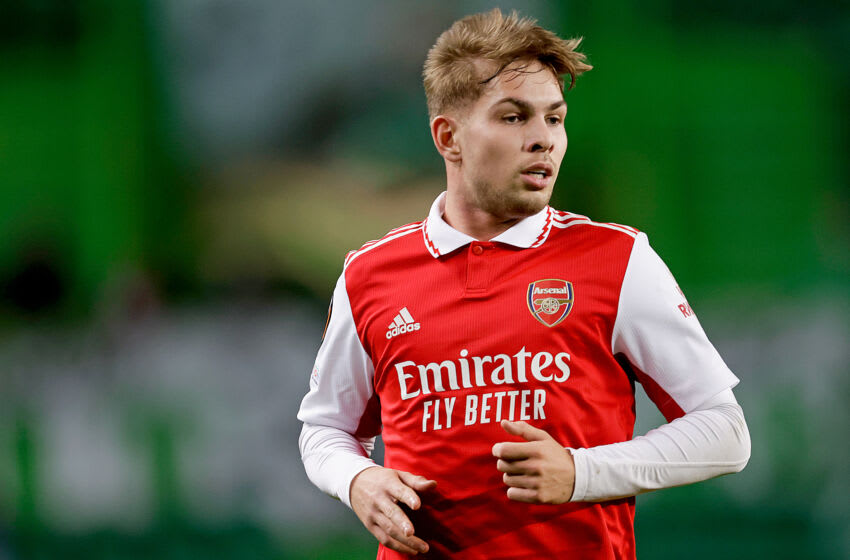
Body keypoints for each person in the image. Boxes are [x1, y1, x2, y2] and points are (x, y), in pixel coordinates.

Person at [297, 8, 750, 559]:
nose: (543, 140)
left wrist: (583, 472)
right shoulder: (369, 274)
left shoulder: (618, 260)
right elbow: (324, 431)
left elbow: (724, 432)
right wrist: (357, 481)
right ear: (449, 137)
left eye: (554, 119)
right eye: (514, 118)